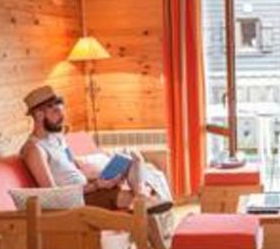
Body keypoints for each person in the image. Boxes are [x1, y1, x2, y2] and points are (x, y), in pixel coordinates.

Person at [20, 85, 172, 215]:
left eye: (62, 111)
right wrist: (96, 186)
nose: (62, 117)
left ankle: (142, 196)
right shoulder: (34, 149)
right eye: (55, 112)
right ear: (39, 115)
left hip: (88, 187)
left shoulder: (56, 138)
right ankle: (143, 198)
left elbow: (74, 167)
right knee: (144, 201)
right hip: (77, 201)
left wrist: (103, 177)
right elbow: (52, 194)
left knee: (133, 158)